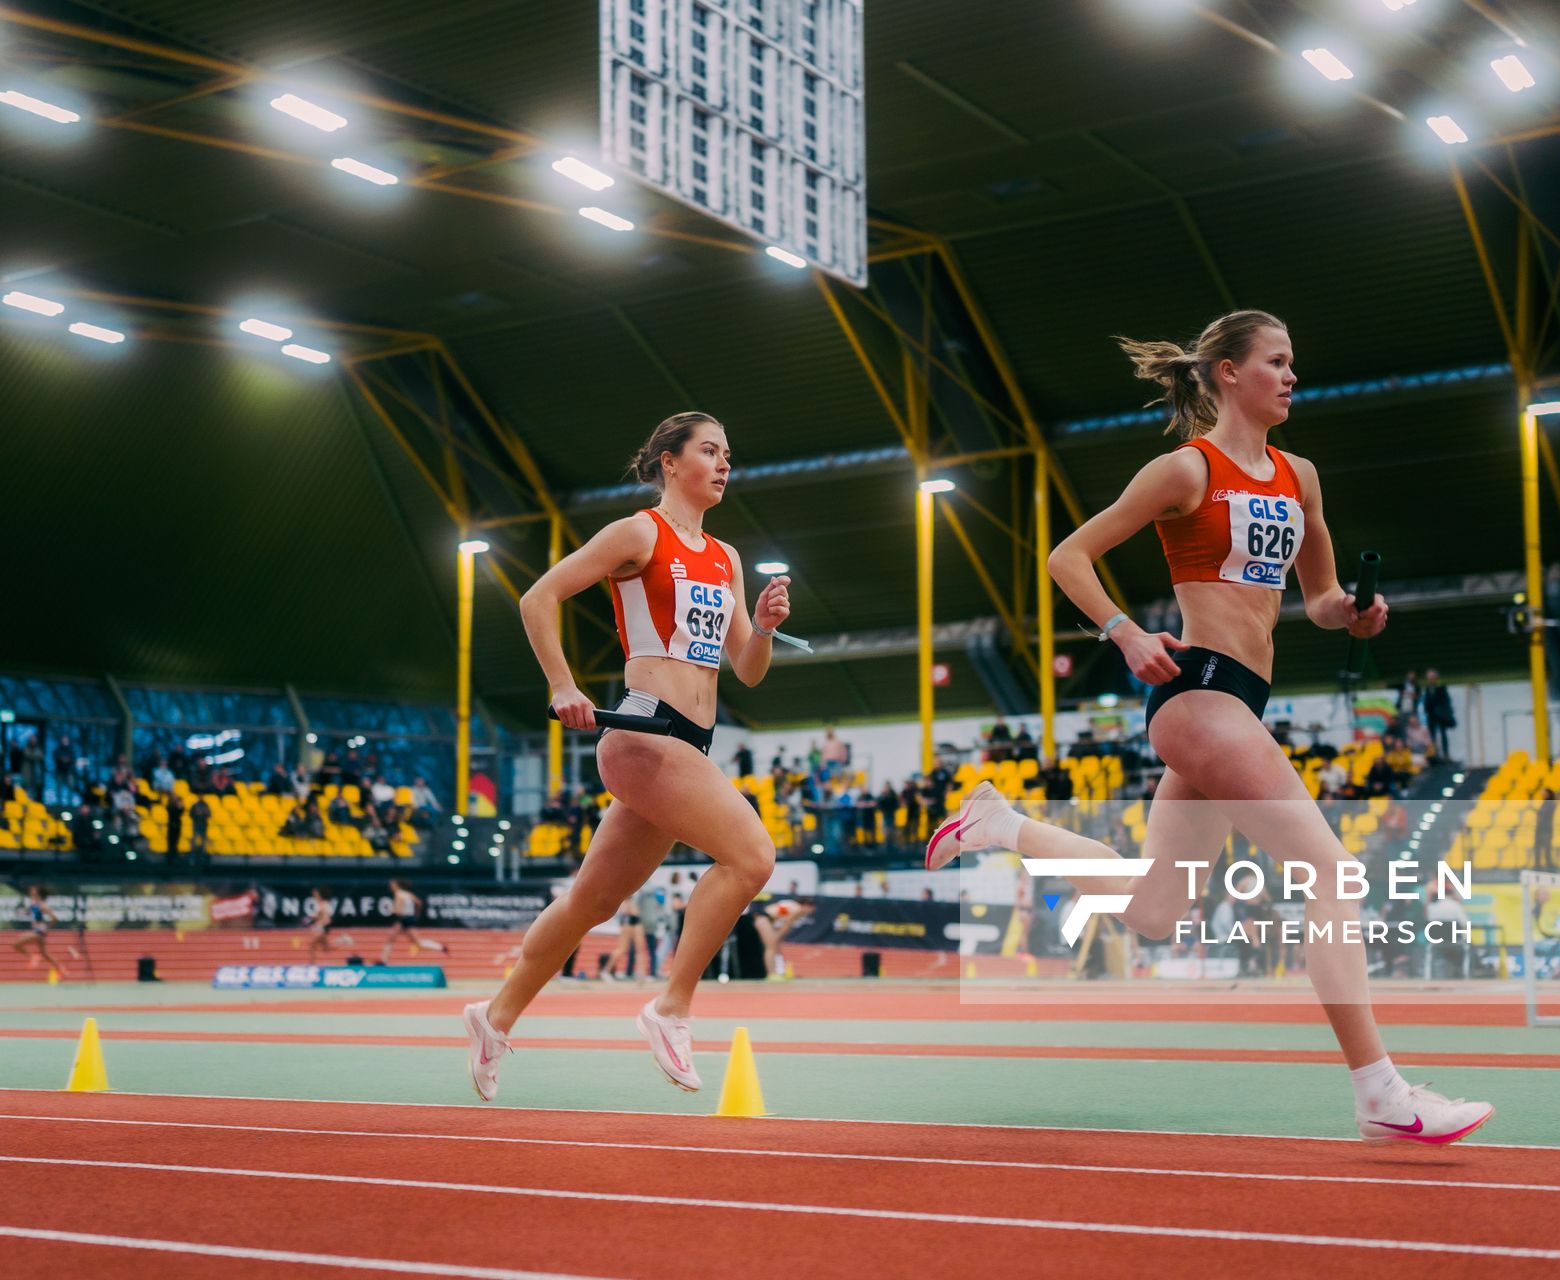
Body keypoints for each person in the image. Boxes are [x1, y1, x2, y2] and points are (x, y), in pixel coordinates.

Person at [924, 310, 1490, 1145]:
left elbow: (1321, 599)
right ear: (1228, 372)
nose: (1292, 375)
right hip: (1198, 694)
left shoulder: (1301, 477)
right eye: (1277, 361)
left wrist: (1354, 613)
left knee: (1154, 909)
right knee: (1334, 875)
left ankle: (1003, 823)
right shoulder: (1186, 470)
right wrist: (1123, 631)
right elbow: (1067, 558)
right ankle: (1381, 1092)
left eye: (1294, 362)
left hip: (1240, 704)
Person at [463, 411, 793, 1102]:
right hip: (643, 733)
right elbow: (538, 595)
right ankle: (670, 1006)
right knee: (753, 857)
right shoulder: (640, 532)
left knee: (591, 900)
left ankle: (493, 1017)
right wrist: (562, 683)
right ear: (670, 462)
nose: (724, 463)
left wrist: (760, 627)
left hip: (689, 742)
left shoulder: (726, 557)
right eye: (709, 451)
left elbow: (747, 669)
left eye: (728, 453)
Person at [380, 879, 449, 965]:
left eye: (392, 884)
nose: (390, 886)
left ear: (397, 885)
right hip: (408, 919)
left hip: (403, 919)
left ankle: (384, 960)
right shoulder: (407, 894)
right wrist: (416, 914)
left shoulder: (398, 894)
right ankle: (440, 947)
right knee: (416, 943)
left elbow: (398, 910)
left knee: (391, 939)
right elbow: (419, 902)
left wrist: (390, 909)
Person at [11, 886, 66, 980]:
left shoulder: (42, 905)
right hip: (36, 931)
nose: (31, 892)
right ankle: (60, 969)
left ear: (38, 894)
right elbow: (28, 913)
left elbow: (55, 918)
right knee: (45, 954)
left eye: (33, 891)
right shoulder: (33, 905)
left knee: (16, 944)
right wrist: (21, 912)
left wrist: (47, 928)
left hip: (39, 932)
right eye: (31, 892)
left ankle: (33, 957)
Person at [1421, 669, 1455, 762]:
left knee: (1443, 735)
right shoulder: (1428, 688)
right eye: (1429, 677)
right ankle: (1435, 754)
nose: (1431, 679)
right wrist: (1427, 711)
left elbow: (1446, 701)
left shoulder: (1441, 687)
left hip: (1440, 716)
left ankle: (1446, 754)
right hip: (1431, 716)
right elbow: (1427, 702)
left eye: (1432, 677)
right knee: (1433, 736)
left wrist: (1442, 712)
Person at [304, 887, 337, 960]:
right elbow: (317, 917)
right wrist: (310, 921)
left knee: (311, 946)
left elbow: (327, 919)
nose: (314, 895)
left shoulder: (324, 905)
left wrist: (319, 926)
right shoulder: (319, 904)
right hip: (320, 929)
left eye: (316, 894)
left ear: (320, 895)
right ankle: (343, 941)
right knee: (326, 949)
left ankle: (312, 966)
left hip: (321, 929)